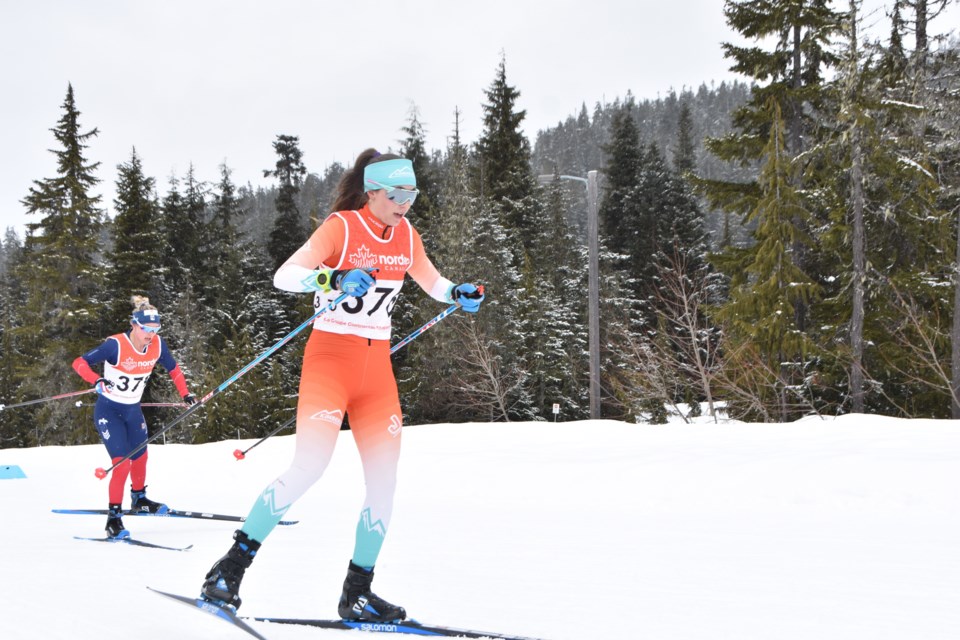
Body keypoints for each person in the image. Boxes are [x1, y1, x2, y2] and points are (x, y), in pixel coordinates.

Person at [200, 149, 484, 621]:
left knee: (384, 485)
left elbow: (431, 282)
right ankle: (227, 571)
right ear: (372, 191)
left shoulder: (406, 235)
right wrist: (330, 276)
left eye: (411, 193)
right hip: (330, 362)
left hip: (376, 374)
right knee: (309, 466)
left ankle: (357, 592)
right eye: (395, 194)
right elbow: (285, 275)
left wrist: (457, 292)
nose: (404, 203)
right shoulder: (342, 228)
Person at [72, 295, 197, 539]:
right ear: (134, 325)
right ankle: (114, 519)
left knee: (141, 456)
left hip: (132, 410)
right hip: (109, 411)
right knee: (122, 463)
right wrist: (95, 380)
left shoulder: (158, 345)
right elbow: (79, 362)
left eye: (155, 329)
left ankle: (139, 498)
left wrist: (186, 394)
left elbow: (174, 368)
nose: (150, 334)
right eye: (146, 329)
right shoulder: (115, 345)